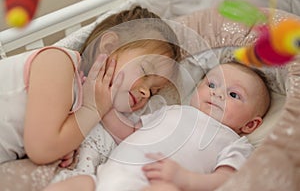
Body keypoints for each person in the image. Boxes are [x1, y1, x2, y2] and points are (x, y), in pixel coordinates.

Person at [0, 5, 181, 169]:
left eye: (153, 91)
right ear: (109, 46)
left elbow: (43, 141)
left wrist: (65, 142)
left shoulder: (76, 103)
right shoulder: (59, 63)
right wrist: (92, 109)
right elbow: (42, 149)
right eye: (145, 71)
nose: (145, 92)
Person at [43, 61, 270, 191]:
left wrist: (185, 179)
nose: (217, 93)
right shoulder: (172, 112)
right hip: (104, 181)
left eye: (233, 94)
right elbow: (127, 133)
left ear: (251, 124)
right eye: (211, 83)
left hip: (154, 185)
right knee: (78, 183)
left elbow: (226, 180)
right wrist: (103, 106)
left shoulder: (235, 142)